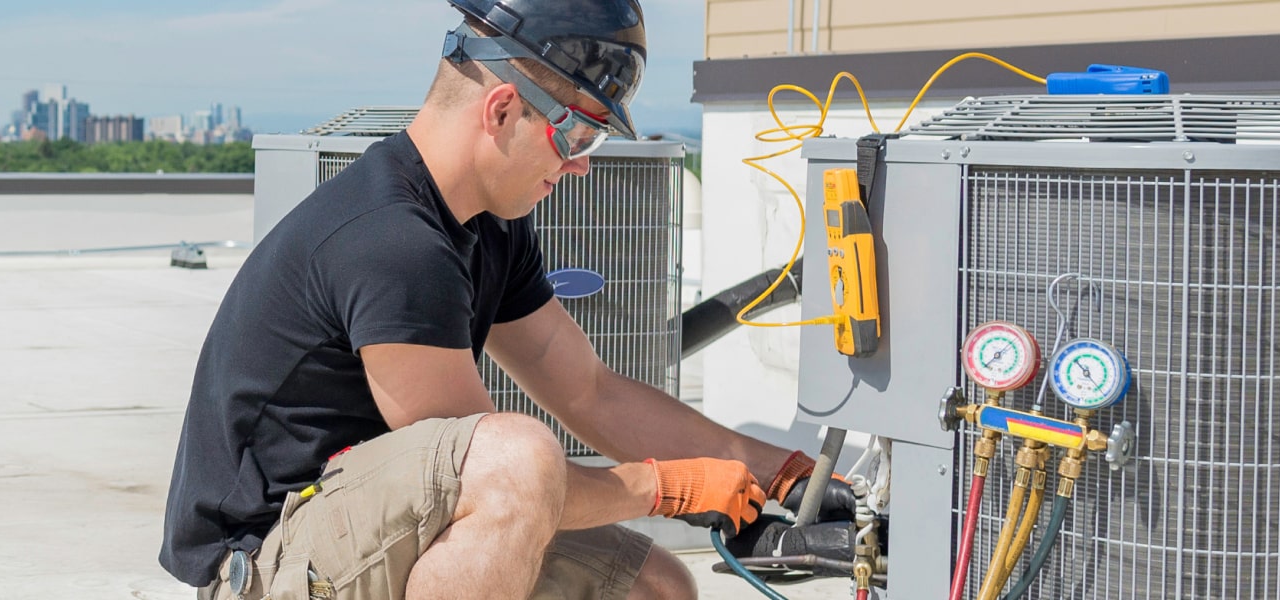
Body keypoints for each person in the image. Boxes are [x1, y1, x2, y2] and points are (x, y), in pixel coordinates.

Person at [159, 0, 854, 598]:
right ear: (500, 109)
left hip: (356, 535)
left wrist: (783, 477)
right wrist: (663, 487)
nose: (580, 164)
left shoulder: (490, 228)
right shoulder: (393, 243)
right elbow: (497, 476)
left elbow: (589, 392)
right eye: (578, 133)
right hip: (268, 565)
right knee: (515, 457)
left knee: (656, 586)